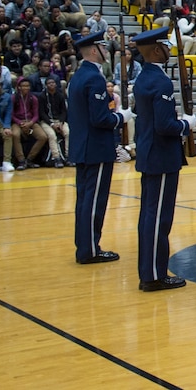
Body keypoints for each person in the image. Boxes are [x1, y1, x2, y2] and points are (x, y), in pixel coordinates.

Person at [131, 27, 196, 292]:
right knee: (158, 218)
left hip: (151, 154)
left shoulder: (144, 78)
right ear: (157, 50)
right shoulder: (159, 81)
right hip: (161, 155)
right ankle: (154, 275)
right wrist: (185, 125)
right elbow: (164, 125)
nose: (169, 50)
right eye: (166, 46)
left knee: (150, 215)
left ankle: (150, 271)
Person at [68, 30, 133, 264]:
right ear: (95, 50)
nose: (107, 51)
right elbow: (99, 119)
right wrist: (121, 117)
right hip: (95, 148)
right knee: (94, 202)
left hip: (83, 147)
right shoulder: (94, 78)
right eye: (104, 47)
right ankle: (89, 250)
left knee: (85, 200)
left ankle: (85, 247)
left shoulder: (78, 75)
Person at [10, 76, 47, 170]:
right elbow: (11, 114)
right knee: (15, 134)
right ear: (19, 87)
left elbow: (36, 115)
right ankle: (21, 160)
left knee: (43, 137)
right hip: (17, 122)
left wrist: (30, 123)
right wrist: (19, 122)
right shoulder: (13, 98)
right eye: (24, 86)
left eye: (28, 86)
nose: (26, 88)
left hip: (31, 122)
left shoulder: (33, 98)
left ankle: (29, 159)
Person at [37, 76, 69, 168]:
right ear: (46, 85)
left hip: (59, 120)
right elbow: (42, 113)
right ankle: (56, 158)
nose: (51, 84)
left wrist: (61, 122)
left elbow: (63, 111)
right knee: (52, 135)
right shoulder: (42, 96)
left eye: (53, 83)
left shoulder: (60, 95)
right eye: (49, 83)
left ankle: (68, 156)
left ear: (55, 84)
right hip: (46, 121)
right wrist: (51, 124)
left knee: (68, 133)